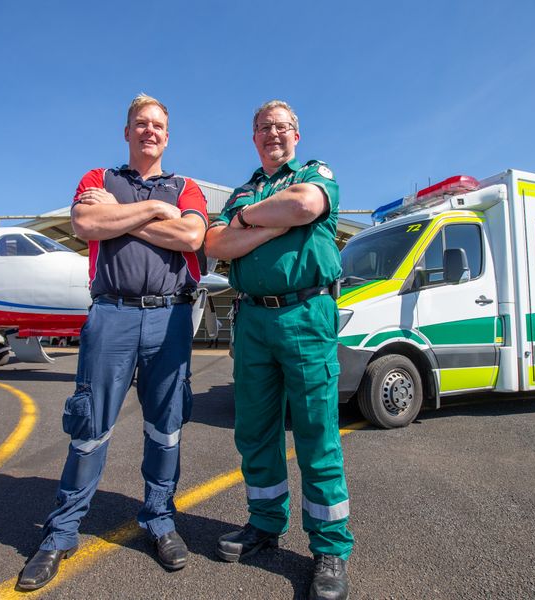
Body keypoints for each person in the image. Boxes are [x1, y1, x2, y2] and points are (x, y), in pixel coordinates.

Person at [18, 94, 208, 591]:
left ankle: (160, 520)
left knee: (166, 427)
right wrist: (152, 212)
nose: (151, 131)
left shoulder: (186, 187)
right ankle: (61, 533)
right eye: (141, 124)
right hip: (111, 315)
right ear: (127, 131)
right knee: (89, 426)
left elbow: (191, 237)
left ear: (168, 135)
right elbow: (86, 223)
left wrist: (127, 213)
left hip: (169, 319)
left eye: (159, 125)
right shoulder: (98, 180)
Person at [204, 100, 354, 600]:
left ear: (297, 134)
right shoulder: (243, 191)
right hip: (252, 320)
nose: (273, 134)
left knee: (316, 432)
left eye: (282, 127)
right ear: (253, 138)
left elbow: (305, 206)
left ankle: (329, 549)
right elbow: (218, 245)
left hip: (306, 314)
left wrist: (247, 223)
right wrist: (262, 218)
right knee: (254, 430)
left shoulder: (316, 171)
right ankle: (264, 524)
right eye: (264, 128)